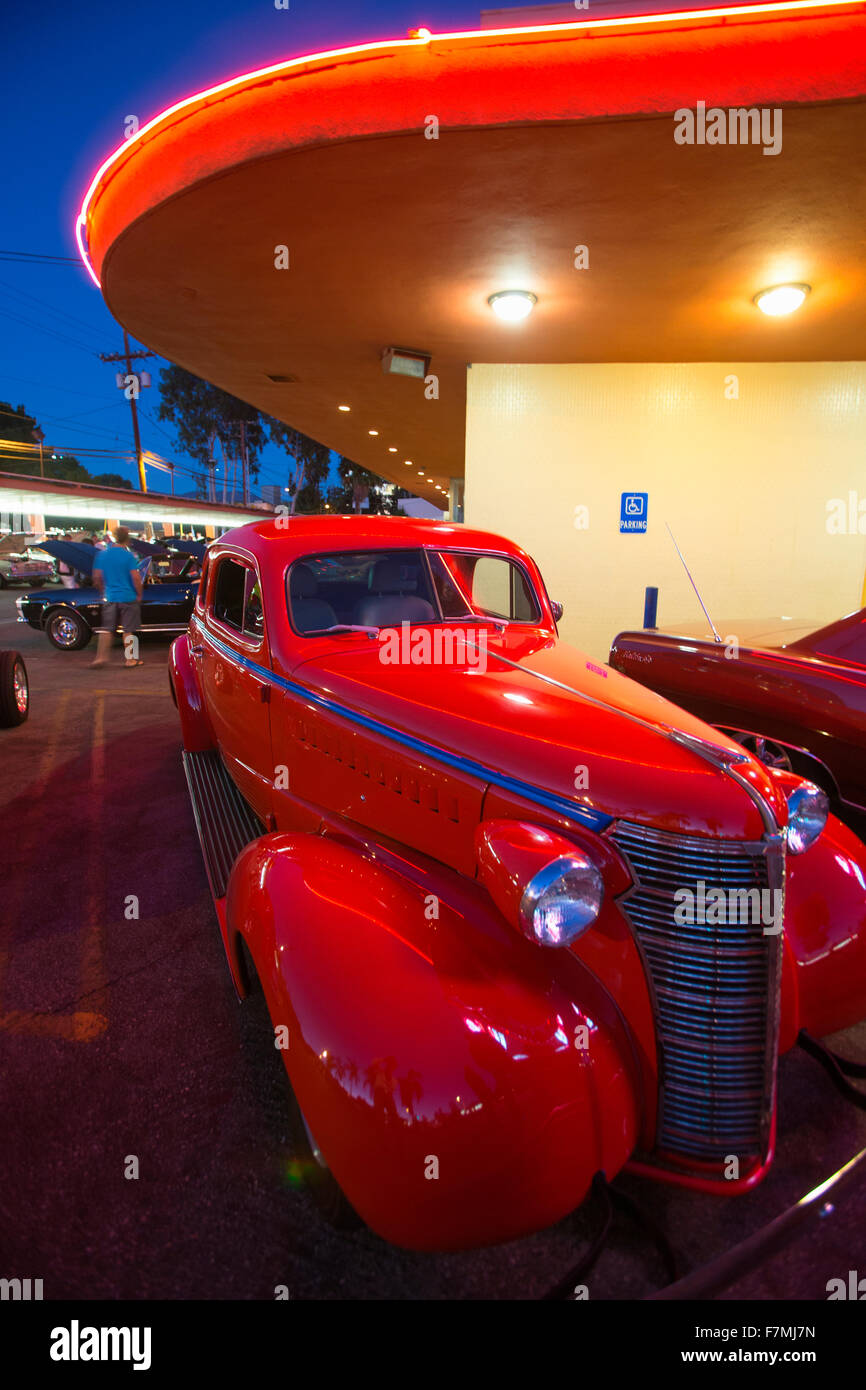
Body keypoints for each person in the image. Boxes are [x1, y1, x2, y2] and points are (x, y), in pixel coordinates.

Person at [90, 527, 144, 668]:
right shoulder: (128, 556)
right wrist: (139, 594)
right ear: (127, 539)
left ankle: (101, 658)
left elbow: (96, 577)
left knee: (107, 628)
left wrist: (103, 591)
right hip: (128, 596)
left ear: (113, 537)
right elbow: (136, 578)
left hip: (110, 596)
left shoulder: (102, 555)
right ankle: (131, 659)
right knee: (128, 630)